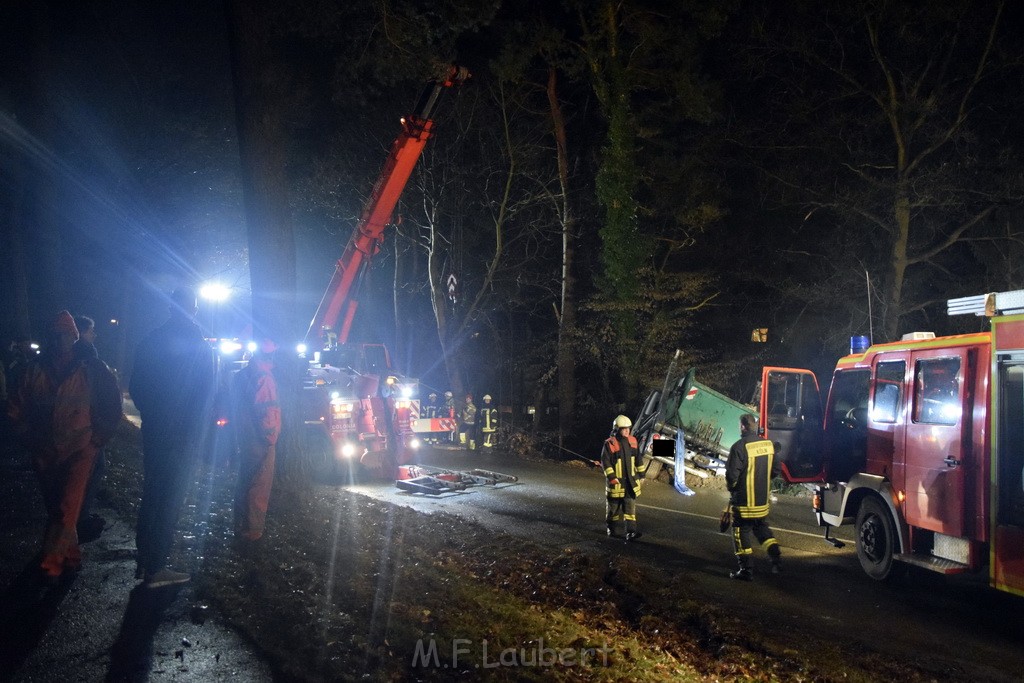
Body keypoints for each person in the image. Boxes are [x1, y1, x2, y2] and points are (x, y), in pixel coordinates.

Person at [7, 311, 122, 583]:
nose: (60, 340)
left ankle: (51, 564)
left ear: (74, 336)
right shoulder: (34, 370)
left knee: (66, 506)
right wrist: (27, 437)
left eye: (65, 335)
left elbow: (111, 406)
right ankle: (71, 557)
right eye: (56, 335)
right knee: (58, 509)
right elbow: (16, 408)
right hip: (45, 450)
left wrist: (98, 439)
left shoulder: (92, 368)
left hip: (81, 449)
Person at [129, 288, 215, 588]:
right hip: (182, 436)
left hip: (155, 431)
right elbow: (207, 395)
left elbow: (137, 388)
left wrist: (155, 415)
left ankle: (145, 559)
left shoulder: (150, 341)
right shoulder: (199, 345)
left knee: (153, 491)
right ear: (193, 309)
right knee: (170, 497)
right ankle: (156, 567)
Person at [231, 339, 282, 544]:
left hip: (245, 438)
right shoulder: (264, 377)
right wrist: (270, 438)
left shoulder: (242, 375)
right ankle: (253, 532)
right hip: (260, 441)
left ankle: (240, 526)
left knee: (244, 483)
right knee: (259, 485)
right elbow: (267, 410)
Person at [725, 413, 782, 580]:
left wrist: (733, 490)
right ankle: (776, 559)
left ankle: (746, 570)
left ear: (743, 426)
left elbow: (732, 477)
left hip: (744, 503)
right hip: (762, 502)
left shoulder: (739, 447)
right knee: (762, 529)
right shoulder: (769, 445)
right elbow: (776, 470)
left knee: (740, 532)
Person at [73, 315, 107, 542]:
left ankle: (77, 514)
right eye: (91, 330)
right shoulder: (87, 353)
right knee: (94, 468)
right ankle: (80, 518)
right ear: (82, 332)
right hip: (86, 424)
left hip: (73, 423)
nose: (94, 335)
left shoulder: (67, 354)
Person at [601, 414, 648, 541]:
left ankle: (631, 532)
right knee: (613, 510)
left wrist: (642, 475)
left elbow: (638, 460)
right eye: (624, 428)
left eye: (629, 428)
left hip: (630, 484)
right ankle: (612, 529)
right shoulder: (610, 444)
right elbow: (606, 462)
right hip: (616, 484)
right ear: (617, 429)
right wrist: (612, 477)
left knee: (630, 510)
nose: (627, 430)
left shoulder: (633, 442)